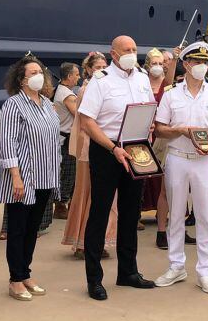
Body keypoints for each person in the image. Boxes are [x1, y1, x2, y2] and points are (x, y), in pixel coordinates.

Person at [77, 35, 157, 300]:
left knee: (130, 212)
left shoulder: (142, 78)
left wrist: (151, 125)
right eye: (127, 50)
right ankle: (94, 279)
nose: (132, 53)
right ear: (113, 54)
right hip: (107, 150)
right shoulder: (101, 81)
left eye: (135, 49)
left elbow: (146, 111)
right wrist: (112, 148)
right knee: (99, 213)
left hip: (136, 149)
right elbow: (87, 121)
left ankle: (128, 272)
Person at [153, 42, 208, 293]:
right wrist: (181, 131)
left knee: (205, 217)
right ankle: (176, 266)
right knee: (175, 214)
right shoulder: (171, 94)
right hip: (177, 157)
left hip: (205, 161)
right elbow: (160, 128)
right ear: (186, 64)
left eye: (205, 63)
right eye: (197, 62)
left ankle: (204, 271)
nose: (201, 67)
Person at [0, 55, 61, 301]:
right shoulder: (13, 104)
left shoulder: (46, 103)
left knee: (33, 228)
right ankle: (15, 278)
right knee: (18, 228)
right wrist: (15, 176)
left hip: (45, 175)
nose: (38, 76)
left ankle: (25, 272)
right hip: (24, 177)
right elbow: (7, 142)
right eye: (32, 73)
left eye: (40, 72)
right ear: (21, 80)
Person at [62, 53, 117, 256]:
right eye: (97, 67)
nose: (102, 70)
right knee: (89, 195)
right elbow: (85, 122)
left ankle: (97, 240)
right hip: (89, 147)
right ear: (88, 70)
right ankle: (84, 242)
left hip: (104, 145)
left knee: (103, 197)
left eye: (105, 66)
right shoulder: (86, 90)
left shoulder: (105, 87)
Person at [142, 48, 178, 249]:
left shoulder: (168, 85)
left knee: (166, 182)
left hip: (163, 135)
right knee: (143, 176)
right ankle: (140, 213)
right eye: (153, 63)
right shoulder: (141, 83)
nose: (157, 66)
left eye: (160, 63)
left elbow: (170, 78)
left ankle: (168, 224)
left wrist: (175, 58)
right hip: (144, 133)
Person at [52, 62, 81, 220]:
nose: (78, 77)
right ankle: (61, 204)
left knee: (67, 172)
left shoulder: (62, 90)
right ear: (69, 76)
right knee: (68, 173)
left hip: (66, 137)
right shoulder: (67, 95)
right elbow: (79, 114)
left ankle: (63, 203)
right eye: (76, 74)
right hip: (67, 138)